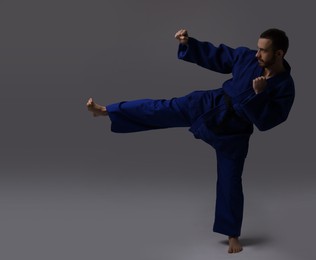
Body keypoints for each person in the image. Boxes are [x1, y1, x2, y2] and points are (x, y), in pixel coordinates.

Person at [86, 28, 295, 253]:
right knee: (161, 108)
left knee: (230, 181)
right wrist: (188, 44)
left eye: (263, 51)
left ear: (279, 54)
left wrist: (260, 95)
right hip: (210, 104)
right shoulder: (247, 58)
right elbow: (220, 56)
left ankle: (232, 234)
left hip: (234, 132)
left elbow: (268, 122)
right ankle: (108, 111)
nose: (257, 54)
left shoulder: (285, 88)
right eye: (258, 48)